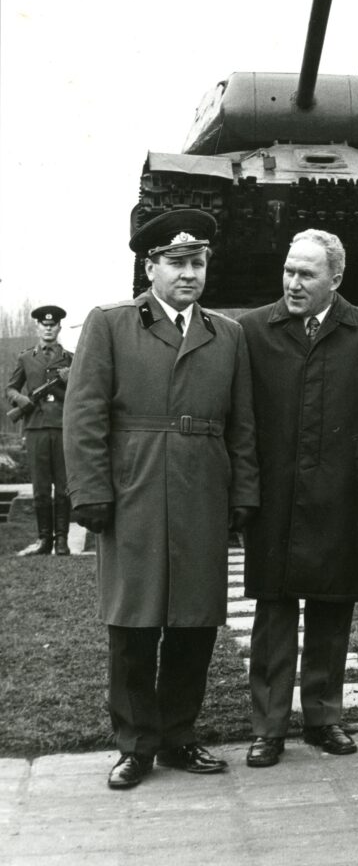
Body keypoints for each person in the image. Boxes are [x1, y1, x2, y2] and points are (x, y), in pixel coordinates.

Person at [63, 210, 259, 790]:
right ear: (150, 267)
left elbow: (241, 424)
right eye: (176, 263)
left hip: (202, 489)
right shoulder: (111, 323)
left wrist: (243, 492)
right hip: (135, 489)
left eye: (197, 263)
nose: (189, 273)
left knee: (194, 622)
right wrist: (91, 492)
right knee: (133, 623)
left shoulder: (228, 334)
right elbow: (85, 414)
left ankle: (178, 736)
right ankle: (134, 744)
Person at [238, 229, 358, 767]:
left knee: (333, 607)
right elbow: (243, 422)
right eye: (288, 271)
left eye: (306, 273)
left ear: (336, 279)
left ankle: (325, 718)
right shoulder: (253, 331)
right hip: (275, 495)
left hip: (342, 494)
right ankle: (268, 726)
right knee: (274, 611)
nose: (293, 283)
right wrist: (245, 491)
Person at [6, 305, 73, 556]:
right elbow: (10, 388)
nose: (48, 327)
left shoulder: (71, 359)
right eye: (44, 324)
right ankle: (44, 540)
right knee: (41, 488)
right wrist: (21, 401)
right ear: (38, 327)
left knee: (64, 486)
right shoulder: (25, 358)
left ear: (59, 327)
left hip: (62, 427)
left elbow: (82, 394)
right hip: (35, 428)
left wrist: (71, 380)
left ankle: (62, 541)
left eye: (52, 324)